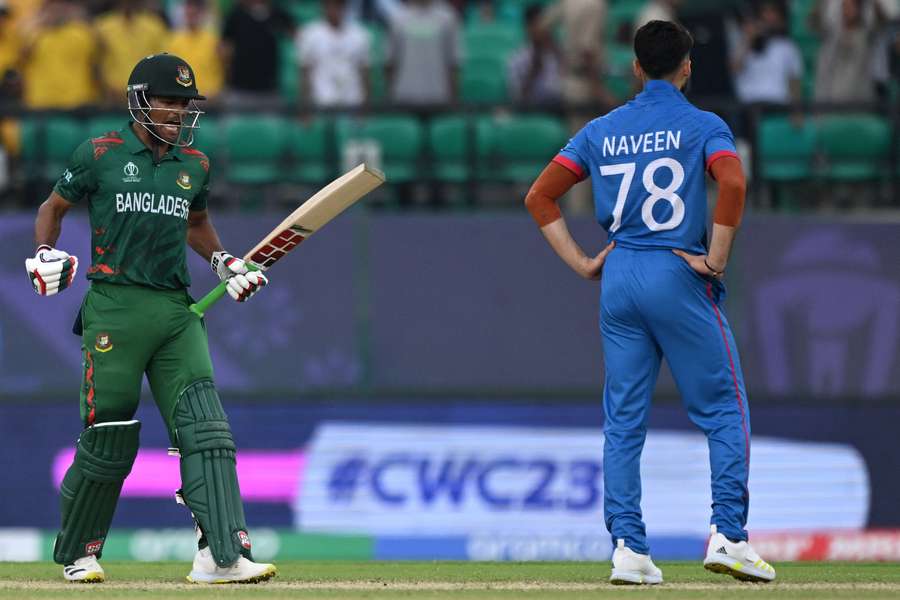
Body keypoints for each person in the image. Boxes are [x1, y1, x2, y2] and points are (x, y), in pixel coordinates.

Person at [524, 20, 776, 585]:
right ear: (687, 67)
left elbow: (539, 197)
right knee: (724, 410)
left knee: (623, 421)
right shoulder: (702, 123)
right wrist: (716, 257)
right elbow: (732, 183)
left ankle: (629, 550)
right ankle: (729, 536)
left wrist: (584, 261)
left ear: (636, 68)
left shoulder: (601, 129)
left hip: (620, 276)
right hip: (677, 271)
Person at [25, 53, 275, 585]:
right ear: (140, 100)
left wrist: (224, 261)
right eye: (168, 101)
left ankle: (220, 556)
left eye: (185, 104)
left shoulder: (195, 165)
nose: (178, 112)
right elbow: (52, 208)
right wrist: (45, 253)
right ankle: (80, 552)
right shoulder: (99, 153)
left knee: (207, 429)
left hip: (174, 309)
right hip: (115, 304)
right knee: (109, 435)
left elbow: (198, 223)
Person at [19, 0, 99, 108]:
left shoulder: (80, 32)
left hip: (75, 101)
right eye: (52, 8)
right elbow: (22, 58)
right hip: (41, 101)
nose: (56, 11)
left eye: (60, 7)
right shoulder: (34, 34)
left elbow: (97, 60)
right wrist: (37, 26)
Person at [296, 0, 370, 108]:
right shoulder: (309, 34)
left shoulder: (360, 35)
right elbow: (304, 74)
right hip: (321, 103)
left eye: (339, 4)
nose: (335, 9)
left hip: (352, 103)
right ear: (324, 6)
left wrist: (365, 108)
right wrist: (304, 108)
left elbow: (365, 74)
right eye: (330, 4)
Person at [385, 0, 461, 106]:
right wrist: (391, 95)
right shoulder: (397, 18)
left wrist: (453, 99)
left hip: (439, 97)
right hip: (404, 96)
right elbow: (390, 62)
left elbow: (453, 63)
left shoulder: (448, 18)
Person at [220, 0, 293, 108]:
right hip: (239, 90)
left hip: (270, 91)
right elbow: (224, 47)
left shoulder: (278, 14)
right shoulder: (236, 15)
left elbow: (295, 38)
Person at [94, 0, 169, 104]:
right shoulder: (102, 26)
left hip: (146, 96)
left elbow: (162, 62)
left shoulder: (154, 27)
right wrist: (105, 89)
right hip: (112, 98)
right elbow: (95, 63)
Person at [730, 1, 803, 105]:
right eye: (764, 12)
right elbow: (734, 68)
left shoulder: (787, 46)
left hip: (777, 106)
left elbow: (794, 80)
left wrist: (797, 111)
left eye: (773, 12)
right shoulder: (743, 44)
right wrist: (748, 39)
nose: (768, 17)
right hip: (749, 108)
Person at [167, 0, 225, 100]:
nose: (192, 15)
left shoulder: (214, 40)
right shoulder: (173, 41)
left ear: (202, 14)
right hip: (184, 100)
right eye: (189, 12)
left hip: (211, 100)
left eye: (195, 12)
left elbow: (223, 68)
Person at [507, 4, 562, 106]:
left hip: (560, 109)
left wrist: (559, 55)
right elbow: (518, 98)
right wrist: (534, 68)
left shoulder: (557, 52)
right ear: (528, 27)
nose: (543, 29)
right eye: (538, 24)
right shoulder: (518, 58)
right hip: (531, 110)